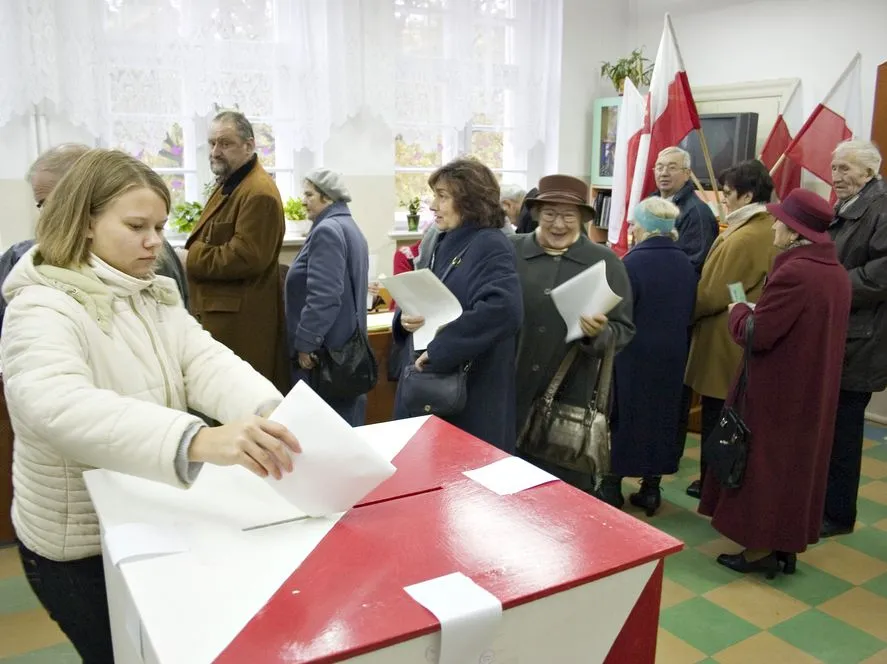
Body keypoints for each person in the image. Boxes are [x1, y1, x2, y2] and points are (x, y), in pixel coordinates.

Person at [1, 149, 301, 662]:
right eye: (136, 226)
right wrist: (198, 440)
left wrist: (271, 413)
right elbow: (56, 405)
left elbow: (203, 361)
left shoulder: (149, 293)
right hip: (80, 546)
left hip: (142, 515)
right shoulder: (41, 304)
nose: (154, 242)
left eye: (160, 226)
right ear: (85, 222)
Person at [699, 188, 851, 578]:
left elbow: (758, 334)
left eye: (780, 222)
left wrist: (738, 312)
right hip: (809, 389)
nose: (774, 229)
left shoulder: (795, 272)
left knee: (765, 467)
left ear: (796, 231)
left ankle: (758, 550)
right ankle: (784, 543)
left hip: (776, 390)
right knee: (795, 468)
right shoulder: (834, 272)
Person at [512, 174, 634, 492]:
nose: (558, 224)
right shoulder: (511, 252)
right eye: (550, 213)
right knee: (505, 485)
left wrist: (599, 333)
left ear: (582, 218)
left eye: (568, 216)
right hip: (509, 390)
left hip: (569, 397)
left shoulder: (604, 262)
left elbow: (623, 330)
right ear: (535, 213)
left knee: (560, 492)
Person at [392, 158, 523, 451]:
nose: (433, 205)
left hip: (472, 391)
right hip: (439, 385)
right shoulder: (445, 239)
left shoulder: (491, 243)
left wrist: (441, 349)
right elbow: (431, 293)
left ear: (470, 201)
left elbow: (504, 308)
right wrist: (404, 317)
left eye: (442, 196)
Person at [0, 143, 188, 330]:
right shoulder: (41, 308)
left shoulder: (152, 260)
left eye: (49, 204)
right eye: (41, 205)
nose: (47, 215)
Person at [681, 161, 778, 499]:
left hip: (723, 340)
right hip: (733, 333)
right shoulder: (760, 227)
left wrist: (685, 313)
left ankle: (713, 486)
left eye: (727, 192)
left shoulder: (747, 236)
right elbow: (736, 287)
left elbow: (714, 292)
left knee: (718, 418)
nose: (723, 198)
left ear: (747, 196)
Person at [182, 110, 287, 388]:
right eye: (212, 143)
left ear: (249, 145)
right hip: (222, 322)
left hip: (240, 329)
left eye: (225, 143)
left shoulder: (258, 192)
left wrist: (189, 258)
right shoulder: (233, 183)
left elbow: (246, 257)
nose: (215, 151)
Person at [608, 198, 696, 514]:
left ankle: (612, 486)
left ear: (644, 227)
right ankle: (651, 489)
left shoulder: (631, 263)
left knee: (625, 416)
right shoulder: (685, 263)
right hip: (673, 353)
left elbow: (618, 311)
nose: (631, 228)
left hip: (634, 353)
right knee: (662, 417)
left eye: (634, 223)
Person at [822, 139, 887, 537]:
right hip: (842, 332)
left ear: (869, 171)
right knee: (831, 430)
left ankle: (837, 514)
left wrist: (831, 284)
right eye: (834, 168)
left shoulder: (880, 208)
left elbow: (881, 275)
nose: (836, 176)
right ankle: (825, 505)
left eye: (845, 168)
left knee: (844, 434)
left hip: (860, 339)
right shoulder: (847, 205)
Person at [285, 168, 371, 426]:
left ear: (328, 197)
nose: (303, 201)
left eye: (309, 195)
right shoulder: (350, 227)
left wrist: (306, 343)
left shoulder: (327, 231)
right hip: (346, 354)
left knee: (324, 431)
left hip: (326, 358)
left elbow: (324, 296)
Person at [652, 147, 719, 274]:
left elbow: (693, 264)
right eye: (659, 168)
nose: (664, 173)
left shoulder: (697, 213)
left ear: (687, 174)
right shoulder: (649, 205)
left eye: (672, 168)